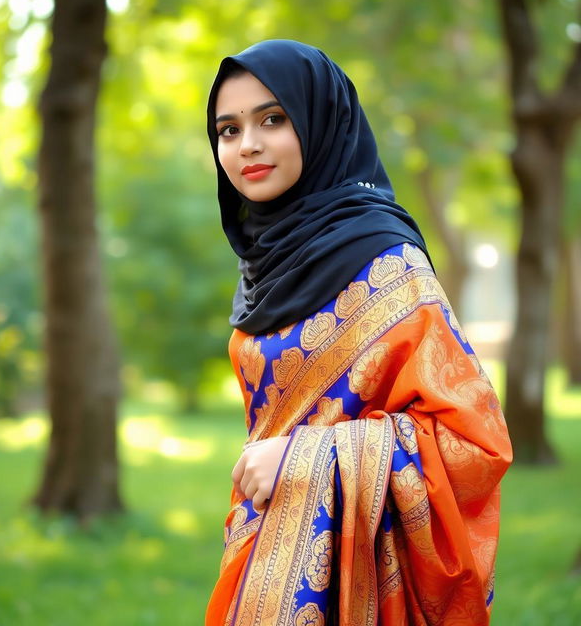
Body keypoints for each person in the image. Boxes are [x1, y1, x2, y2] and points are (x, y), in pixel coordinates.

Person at [204, 39, 512, 626]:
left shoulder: (386, 262)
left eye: (273, 119)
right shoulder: (268, 264)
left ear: (323, 123)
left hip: (359, 581)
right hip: (261, 546)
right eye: (227, 128)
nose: (247, 145)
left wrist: (302, 457)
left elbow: (473, 441)